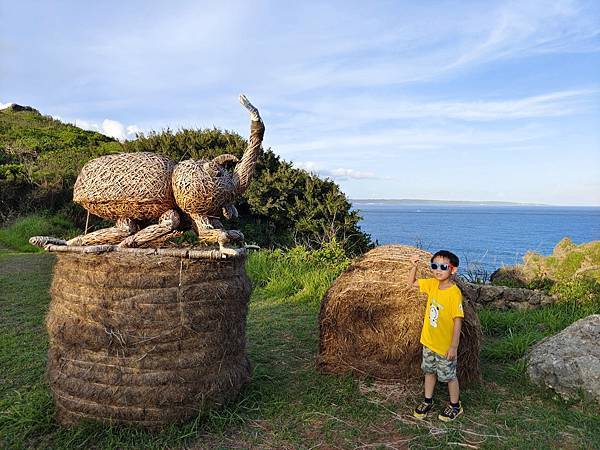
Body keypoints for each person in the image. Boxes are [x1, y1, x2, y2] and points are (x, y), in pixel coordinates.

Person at [407, 250, 464, 421]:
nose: (438, 270)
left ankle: (455, 406)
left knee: (449, 377)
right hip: (429, 342)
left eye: (443, 267)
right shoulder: (432, 284)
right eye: (434, 266)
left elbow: (457, 321)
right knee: (429, 372)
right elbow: (411, 283)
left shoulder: (454, 293)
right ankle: (427, 400)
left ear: (453, 270)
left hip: (445, 347)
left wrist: (453, 346)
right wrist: (413, 266)